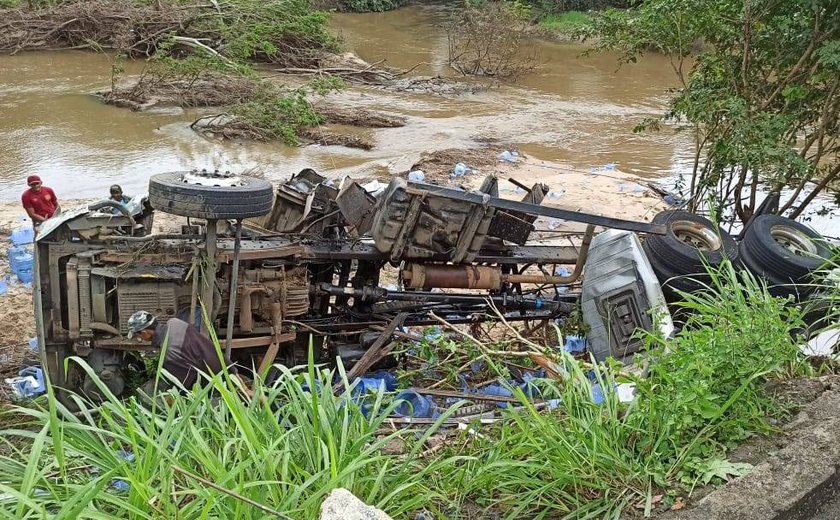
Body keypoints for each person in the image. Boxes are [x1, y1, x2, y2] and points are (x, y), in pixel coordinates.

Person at [126, 311, 251, 397]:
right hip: (225, 366)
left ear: (145, 333)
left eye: (138, 335)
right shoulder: (175, 323)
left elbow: (181, 386)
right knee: (247, 393)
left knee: (243, 396)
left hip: (216, 381)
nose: (141, 339)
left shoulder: (170, 353)